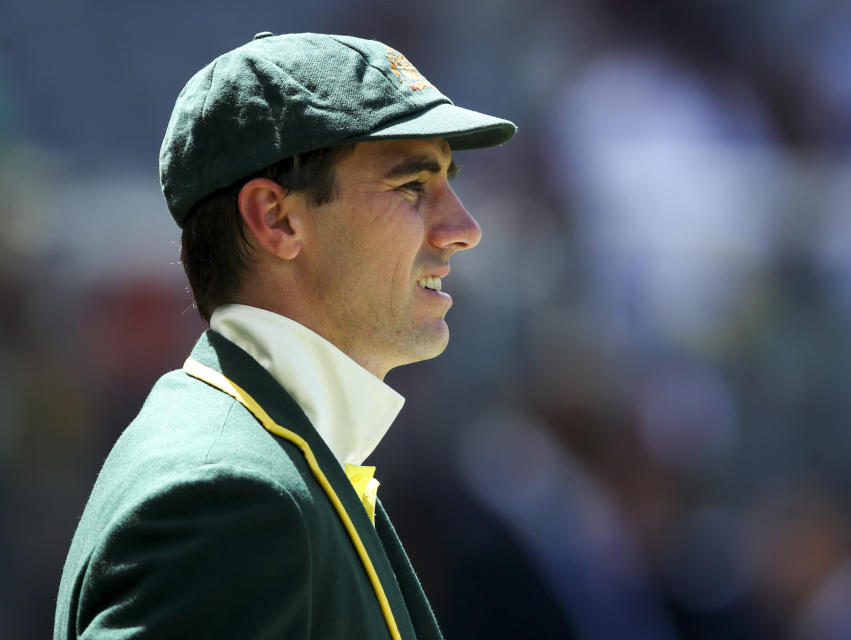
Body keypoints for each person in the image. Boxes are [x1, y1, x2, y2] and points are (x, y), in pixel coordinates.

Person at [53, 31, 515, 639]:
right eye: (412, 186)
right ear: (276, 219)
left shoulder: (268, 461)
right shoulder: (229, 494)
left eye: (449, 181)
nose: (464, 229)